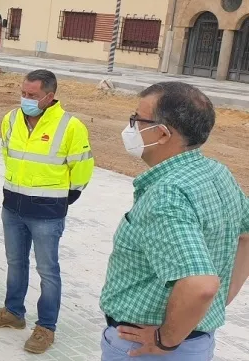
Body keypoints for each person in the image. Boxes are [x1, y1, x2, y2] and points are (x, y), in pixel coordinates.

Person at [99, 82, 249, 360]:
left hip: (148, 349)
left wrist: (165, 340)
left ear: (162, 133)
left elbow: (201, 285)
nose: (131, 128)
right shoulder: (216, 172)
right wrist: (221, 300)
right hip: (196, 342)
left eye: (137, 119)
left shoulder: (167, 194)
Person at [0, 69, 94, 354]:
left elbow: (81, 169)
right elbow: (8, 153)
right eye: (23, 93)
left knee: (48, 270)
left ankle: (46, 328)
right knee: (15, 262)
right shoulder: (11, 119)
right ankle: (13, 313)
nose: (25, 99)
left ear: (49, 97)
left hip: (47, 212)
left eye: (32, 96)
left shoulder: (71, 126)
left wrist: (62, 200)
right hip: (13, 207)